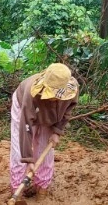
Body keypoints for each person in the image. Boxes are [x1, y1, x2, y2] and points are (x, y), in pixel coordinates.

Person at [10, 63, 78, 196]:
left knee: (45, 150)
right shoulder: (31, 93)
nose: (53, 97)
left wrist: (57, 131)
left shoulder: (72, 89)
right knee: (19, 154)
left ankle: (42, 188)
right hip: (25, 111)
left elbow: (68, 110)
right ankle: (17, 192)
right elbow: (26, 126)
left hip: (50, 116)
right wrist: (28, 159)